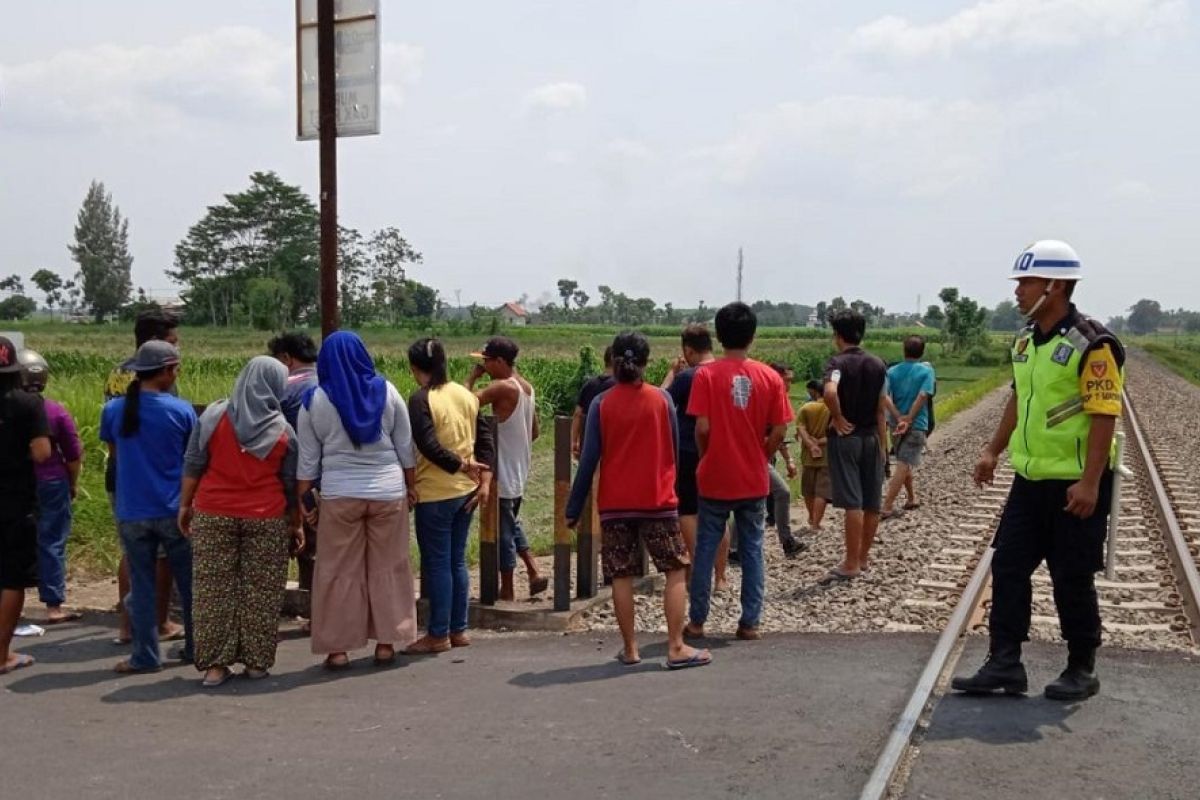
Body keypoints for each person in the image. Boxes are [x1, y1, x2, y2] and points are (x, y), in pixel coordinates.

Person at [953, 240, 1123, 702]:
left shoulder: (1093, 344)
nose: (1018, 292)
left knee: (1071, 575)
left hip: (1073, 484)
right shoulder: (1026, 341)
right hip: (1029, 481)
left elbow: (1104, 414)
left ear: (1056, 286)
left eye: (1026, 282)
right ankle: (1004, 662)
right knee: (1008, 566)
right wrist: (992, 451)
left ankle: (1081, 667)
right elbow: (1018, 398)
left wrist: (1090, 482)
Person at [567, 331, 710, 669]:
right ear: (646, 363)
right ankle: (676, 646)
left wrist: (573, 509)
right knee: (675, 568)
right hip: (658, 499)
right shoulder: (662, 400)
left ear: (614, 363)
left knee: (621, 575)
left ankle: (630, 649)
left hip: (616, 503)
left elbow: (588, 461)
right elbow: (674, 450)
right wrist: (669, 482)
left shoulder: (601, 404)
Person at [296, 331, 418, 669]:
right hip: (388, 491)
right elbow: (405, 448)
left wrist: (305, 505)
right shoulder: (388, 391)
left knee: (337, 570)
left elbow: (307, 463)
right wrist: (411, 487)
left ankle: (338, 650)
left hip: (340, 494)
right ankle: (386, 643)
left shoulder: (314, 400)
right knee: (389, 566)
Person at [181, 357, 304, 687]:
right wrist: (295, 524)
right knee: (261, 592)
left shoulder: (213, 416)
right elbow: (290, 484)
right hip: (266, 518)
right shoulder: (283, 431)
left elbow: (194, 464)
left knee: (213, 591)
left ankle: (215, 667)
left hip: (213, 512)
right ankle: (256, 663)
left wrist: (184, 505)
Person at [685, 303, 792, 641]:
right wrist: (761, 456)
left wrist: (705, 458)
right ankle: (749, 622)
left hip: (715, 475)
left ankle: (698, 621)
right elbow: (778, 430)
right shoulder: (770, 377)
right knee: (752, 548)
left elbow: (701, 428)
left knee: (705, 547)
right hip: (752, 478)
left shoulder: (706, 375)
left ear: (719, 336)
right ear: (753, 336)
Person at [100, 341, 197, 673]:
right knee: (189, 584)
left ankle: (144, 656)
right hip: (174, 509)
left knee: (141, 586)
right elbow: (191, 462)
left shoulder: (113, 410)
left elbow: (115, 454)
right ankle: (196, 648)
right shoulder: (181, 411)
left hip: (132, 510)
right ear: (168, 371)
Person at [406, 338, 494, 654]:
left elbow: (428, 445)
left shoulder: (420, 400)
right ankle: (459, 629)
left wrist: (461, 464)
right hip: (465, 492)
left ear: (416, 368)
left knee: (439, 563)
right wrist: (483, 479)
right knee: (456, 561)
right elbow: (486, 439)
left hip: (436, 491)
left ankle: (438, 633)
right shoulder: (464, 395)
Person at [105, 309, 184, 646]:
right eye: (172, 343)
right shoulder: (164, 380)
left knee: (132, 553)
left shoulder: (116, 373)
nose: (177, 349)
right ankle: (160, 621)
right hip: (158, 481)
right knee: (163, 557)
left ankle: (128, 627)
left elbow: (113, 438)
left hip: (123, 478)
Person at [466, 336, 548, 600]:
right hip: (518, 468)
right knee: (511, 523)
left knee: (503, 533)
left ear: (500, 361)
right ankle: (534, 570)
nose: (484, 366)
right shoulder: (526, 387)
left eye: (486, 361)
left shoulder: (502, 388)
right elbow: (534, 431)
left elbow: (464, 405)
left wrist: (471, 379)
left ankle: (508, 589)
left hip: (500, 472)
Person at [821, 309, 888, 584]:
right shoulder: (878, 364)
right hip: (872, 436)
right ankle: (863, 558)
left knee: (853, 502)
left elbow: (829, 392)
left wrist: (837, 417)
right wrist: (883, 445)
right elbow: (881, 408)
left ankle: (850, 563)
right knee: (872, 502)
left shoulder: (836, 364)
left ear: (837, 335)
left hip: (847, 438)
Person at [661, 324, 730, 590]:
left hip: (690, 450)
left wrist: (671, 374)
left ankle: (696, 572)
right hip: (721, 450)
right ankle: (721, 576)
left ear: (688, 350)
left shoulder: (689, 377)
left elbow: (661, 401)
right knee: (718, 514)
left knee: (688, 511)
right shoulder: (726, 373)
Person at [19, 350, 84, 625]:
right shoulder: (55, 410)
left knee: (14, 541)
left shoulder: (8, 408)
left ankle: (11, 601)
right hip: (52, 482)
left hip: (17, 484)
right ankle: (54, 606)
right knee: (52, 541)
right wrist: (73, 483)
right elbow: (73, 454)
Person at [0, 335, 51, 675]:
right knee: (11, 578)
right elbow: (42, 453)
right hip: (13, 500)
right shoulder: (27, 404)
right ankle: (3, 654)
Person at [268, 332, 320, 604]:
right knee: (320, 547)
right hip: (327, 478)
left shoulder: (283, 388)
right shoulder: (329, 381)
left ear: (286, 358)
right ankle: (319, 610)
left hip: (289, 478)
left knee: (291, 542)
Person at [881, 336, 936, 520]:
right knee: (904, 464)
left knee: (904, 461)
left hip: (896, 426)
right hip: (916, 423)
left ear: (903, 350)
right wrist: (909, 418)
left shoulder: (892, 371)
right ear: (922, 351)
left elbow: (885, 397)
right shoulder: (926, 371)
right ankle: (887, 506)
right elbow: (923, 396)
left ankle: (912, 498)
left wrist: (898, 416)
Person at [766, 362, 805, 556]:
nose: (789, 385)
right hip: (755, 457)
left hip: (760, 456)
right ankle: (786, 541)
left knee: (750, 501)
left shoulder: (776, 397)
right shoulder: (767, 397)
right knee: (782, 492)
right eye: (786, 380)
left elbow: (778, 434)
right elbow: (778, 434)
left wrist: (788, 460)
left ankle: (735, 548)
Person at [796, 379, 832, 534]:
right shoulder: (832, 408)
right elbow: (836, 432)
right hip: (827, 455)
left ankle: (811, 517)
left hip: (808, 455)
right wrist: (821, 441)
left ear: (814, 392)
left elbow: (800, 429)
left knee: (808, 489)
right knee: (822, 491)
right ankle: (816, 523)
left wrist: (811, 445)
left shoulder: (806, 408)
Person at [571, 346, 613, 458]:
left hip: (587, 444)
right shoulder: (620, 387)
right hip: (610, 446)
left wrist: (574, 441)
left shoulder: (589, 384)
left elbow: (577, 414)